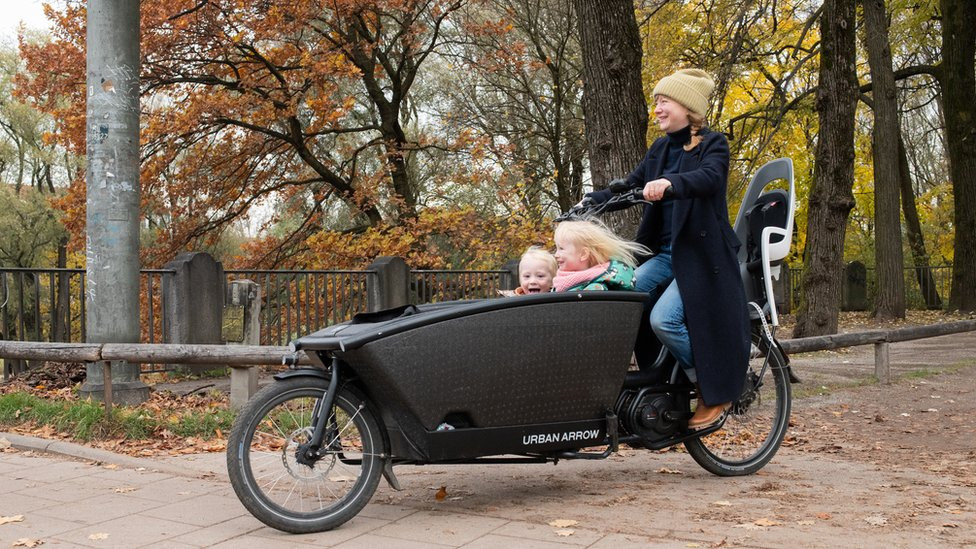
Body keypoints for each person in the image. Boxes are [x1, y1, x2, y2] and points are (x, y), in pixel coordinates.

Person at [586, 68, 750, 430]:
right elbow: (629, 186)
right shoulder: (660, 148)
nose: (657, 109)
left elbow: (709, 178)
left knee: (664, 319)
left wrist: (670, 183)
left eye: (664, 101)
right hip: (664, 255)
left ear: (688, 107)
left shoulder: (712, 144)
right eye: (656, 101)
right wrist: (590, 201)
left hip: (701, 257)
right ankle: (651, 380)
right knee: (623, 298)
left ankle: (709, 387)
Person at [551, 220, 646, 292]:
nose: (556, 255)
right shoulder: (561, 282)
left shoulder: (595, 288)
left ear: (583, 254)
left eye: (561, 249)